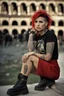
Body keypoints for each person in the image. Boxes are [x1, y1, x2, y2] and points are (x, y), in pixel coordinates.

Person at [7, 10, 60, 96]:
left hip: (52, 68)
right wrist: (31, 35)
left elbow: (47, 57)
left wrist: (32, 54)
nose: (38, 24)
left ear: (46, 24)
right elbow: (30, 49)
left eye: (41, 22)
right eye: (36, 21)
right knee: (27, 58)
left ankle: (22, 86)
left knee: (30, 57)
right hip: (45, 66)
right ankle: (43, 79)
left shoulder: (50, 35)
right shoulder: (36, 35)